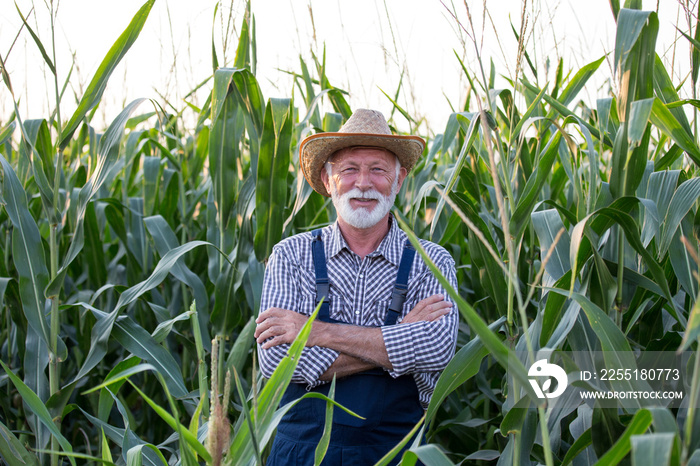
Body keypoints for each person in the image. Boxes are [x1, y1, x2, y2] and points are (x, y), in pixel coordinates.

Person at [254, 108, 459, 465]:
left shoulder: (432, 262)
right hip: (301, 454)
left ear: (399, 180)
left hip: (396, 452)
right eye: (350, 169)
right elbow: (278, 361)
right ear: (328, 178)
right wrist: (398, 336)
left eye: (378, 169)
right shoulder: (291, 255)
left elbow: (436, 348)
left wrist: (312, 331)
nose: (363, 182)